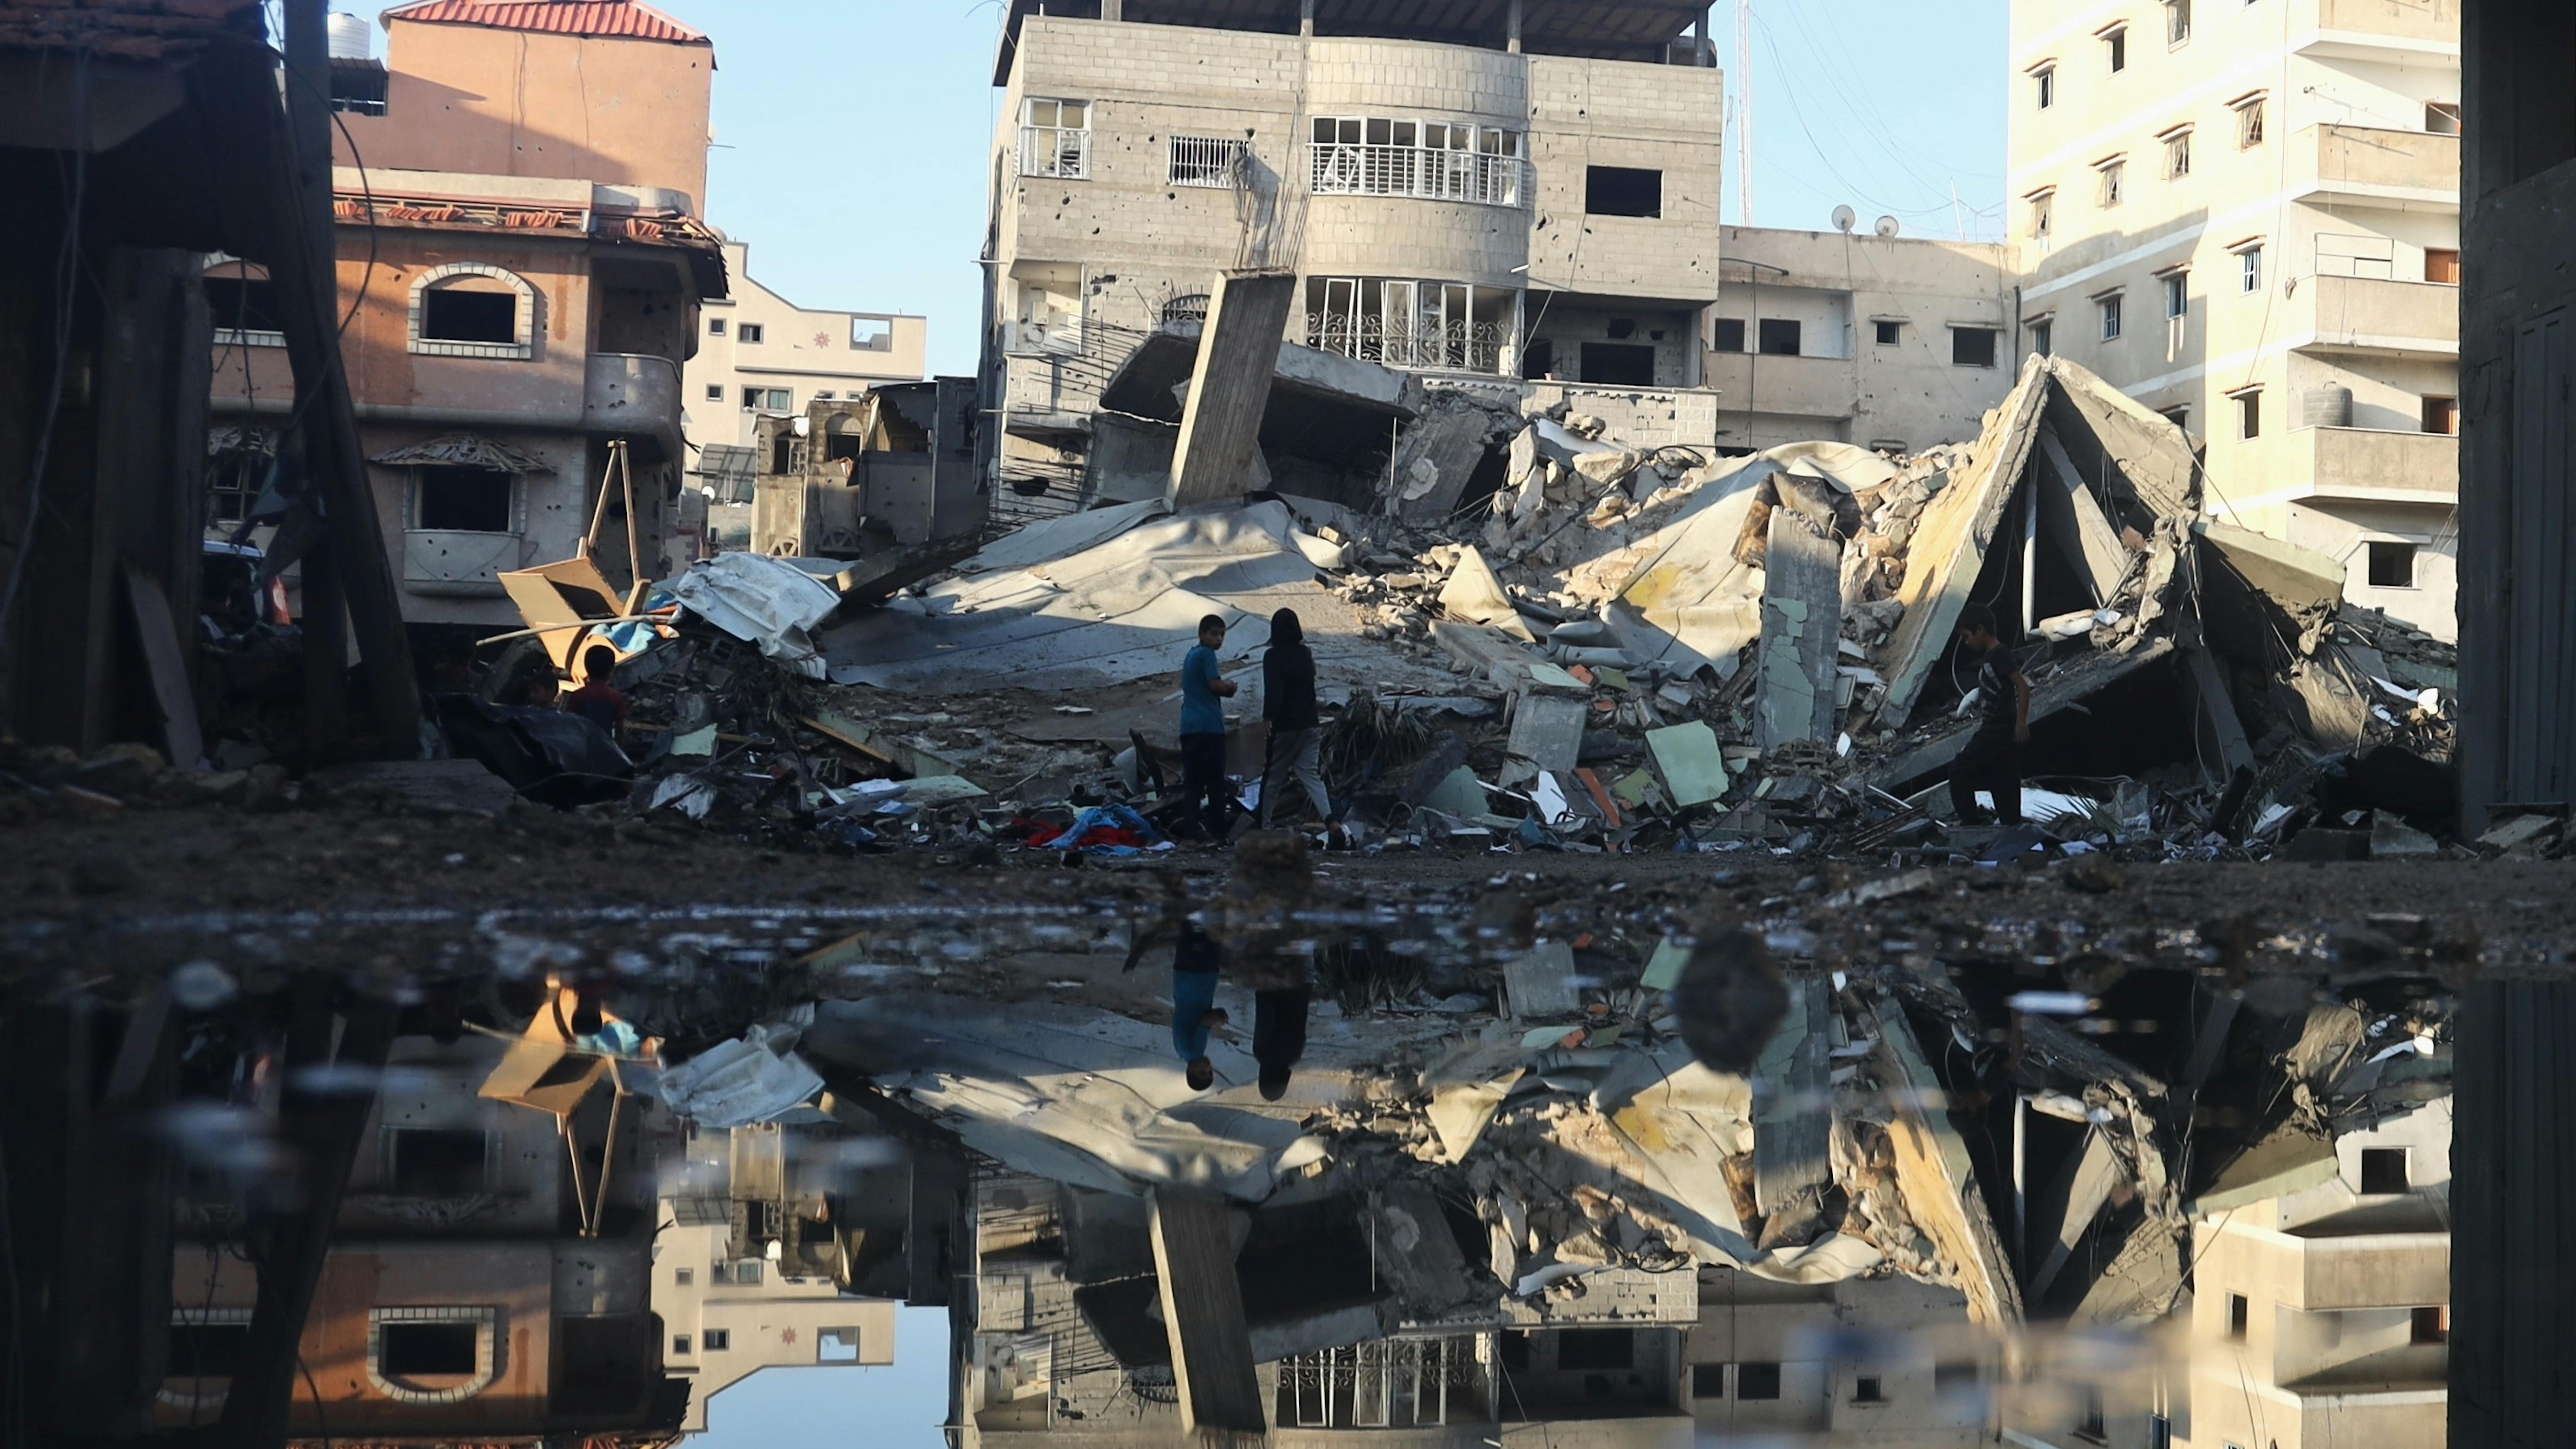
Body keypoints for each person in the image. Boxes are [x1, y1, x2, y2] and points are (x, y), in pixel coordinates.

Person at [1949, 603, 2030, 825]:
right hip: (1999, 729)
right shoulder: (1989, 658)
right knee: (2003, 784)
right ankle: (2010, 832)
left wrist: (2020, 723)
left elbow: (2022, 687)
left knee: (1959, 770)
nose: (1967, 642)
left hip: (2000, 727)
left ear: (1981, 630)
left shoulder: (1999, 654)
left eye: (1968, 636)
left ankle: (1972, 823)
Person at [1256, 608, 1332, 829]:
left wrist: (1269, 717)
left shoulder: (1273, 656)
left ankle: (1262, 825)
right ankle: (1331, 821)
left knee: (1272, 779)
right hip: (1310, 724)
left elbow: (1274, 689)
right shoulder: (1305, 653)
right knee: (1312, 776)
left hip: (1286, 726)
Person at [1178, 613, 1239, 843]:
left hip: (1189, 728)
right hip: (1210, 728)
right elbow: (1215, 685)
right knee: (1215, 784)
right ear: (1202, 634)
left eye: (1222, 635)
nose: (1219, 639)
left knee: (1193, 785)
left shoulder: (1191, 655)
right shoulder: (1207, 654)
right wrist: (1231, 687)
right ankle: (1219, 835)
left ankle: (1190, 835)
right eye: (1214, 634)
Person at [1171, 922, 1227, 1091]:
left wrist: (1220, 1019)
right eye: (1211, 1072)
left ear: (1191, 1071)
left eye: (1203, 1072)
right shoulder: (1182, 1051)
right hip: (1184, 978)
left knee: (1211, 928)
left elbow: (1205, 1020)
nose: (1208, 1068)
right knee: (1191, 926)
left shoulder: (1194, 1051)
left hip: (1200, 977)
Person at [1252, 985, 1310, 1101]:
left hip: (1300, 991)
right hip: (1277, 986)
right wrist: (1263, 987)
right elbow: (1265, 1018)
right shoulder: (1262, 1053)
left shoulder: (1294, 1057)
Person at [558, 644, 628, 732]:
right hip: (604, 744)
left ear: (587, 668)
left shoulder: (578, 695)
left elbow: (570, 723)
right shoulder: (616, 697)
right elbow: (620, 729)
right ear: (611, 670)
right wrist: (618, 746)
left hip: (582, 743)